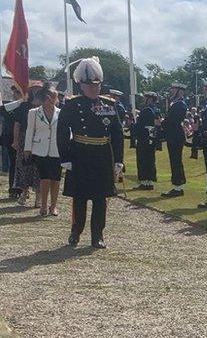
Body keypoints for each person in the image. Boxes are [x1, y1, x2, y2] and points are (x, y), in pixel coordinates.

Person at [56, 57, 124, 248]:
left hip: (102, 155)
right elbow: (62, 132)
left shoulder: (109, 105)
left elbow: (117, 134)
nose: (95, 88)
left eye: (98, 84)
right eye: (91, 85)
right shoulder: (72, 105)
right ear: (81, 85)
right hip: (80, 154)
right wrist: (65, 157)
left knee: (100, 198)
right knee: (80, 197)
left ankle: (97, 235)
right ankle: (75, 232)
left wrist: (118, 160)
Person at [24, 86, 62, 215]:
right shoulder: (34, 112)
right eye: (49, 96)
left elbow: (67, 132)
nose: (51, 99)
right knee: (45, 178)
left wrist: (69, 147)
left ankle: (54, 206)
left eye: (54, 97)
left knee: (56, 179)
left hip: (57, 150)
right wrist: (27, 148)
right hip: (40, 149)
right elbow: (30, 131)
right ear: (43, 97)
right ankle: (43, 205)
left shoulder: (61, 113)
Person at [12, 84, 42, 206]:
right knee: (24, 167)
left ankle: (39, 197)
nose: (36, 92)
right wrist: (15, 140)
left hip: (41, 139)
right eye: (34, 90)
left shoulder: (46, 107)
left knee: (39, 168)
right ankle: (24, 193)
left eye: (39, 90)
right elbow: (17, 125)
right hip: (24, 139)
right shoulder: (23, 106)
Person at [160, 82, 188, 198]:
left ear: (180, 91)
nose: (171, 91)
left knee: (176, 160)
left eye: (174, 89)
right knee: (174, 160)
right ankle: (177, 185)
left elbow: (172, 120)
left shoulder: (179, 104)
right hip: (173, 134)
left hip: (175, 135)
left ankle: (178, 186)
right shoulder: (175, 104)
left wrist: (162, 123)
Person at [132, 92, 161, 190]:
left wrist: (135, 131)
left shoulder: (146, 110)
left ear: (149, 99)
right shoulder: (156, 110)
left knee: (142, 159)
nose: (144, 100)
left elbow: (140, 125)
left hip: (144, 137)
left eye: (146, 98)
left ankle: (144, 181)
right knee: (150, 159)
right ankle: (150, 181)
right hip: (151, 137)